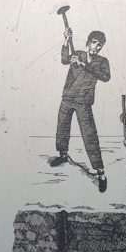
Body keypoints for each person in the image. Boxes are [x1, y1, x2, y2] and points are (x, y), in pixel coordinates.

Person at [49, 28, 110, 192]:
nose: (97, 47)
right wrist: (66, 41)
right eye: (95, 43)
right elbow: (63, 60)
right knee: (62, 126)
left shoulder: (102, 61)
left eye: (100, 45)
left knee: (89, 135)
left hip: (84, 102)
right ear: (88, 42)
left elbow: (105, 77)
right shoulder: (78, 53)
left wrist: (85, 66)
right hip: (68, 98)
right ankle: (63, 154)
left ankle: (100, 172)